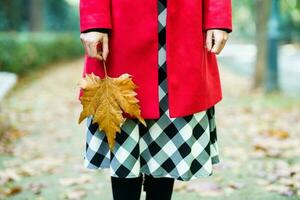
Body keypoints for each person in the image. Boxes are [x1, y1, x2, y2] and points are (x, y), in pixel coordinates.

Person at [79, 0, 232, 199]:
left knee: (169, 130)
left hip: (185, 20)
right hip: (122, 22)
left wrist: (217, 16)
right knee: (123, 126)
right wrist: (94, 19)